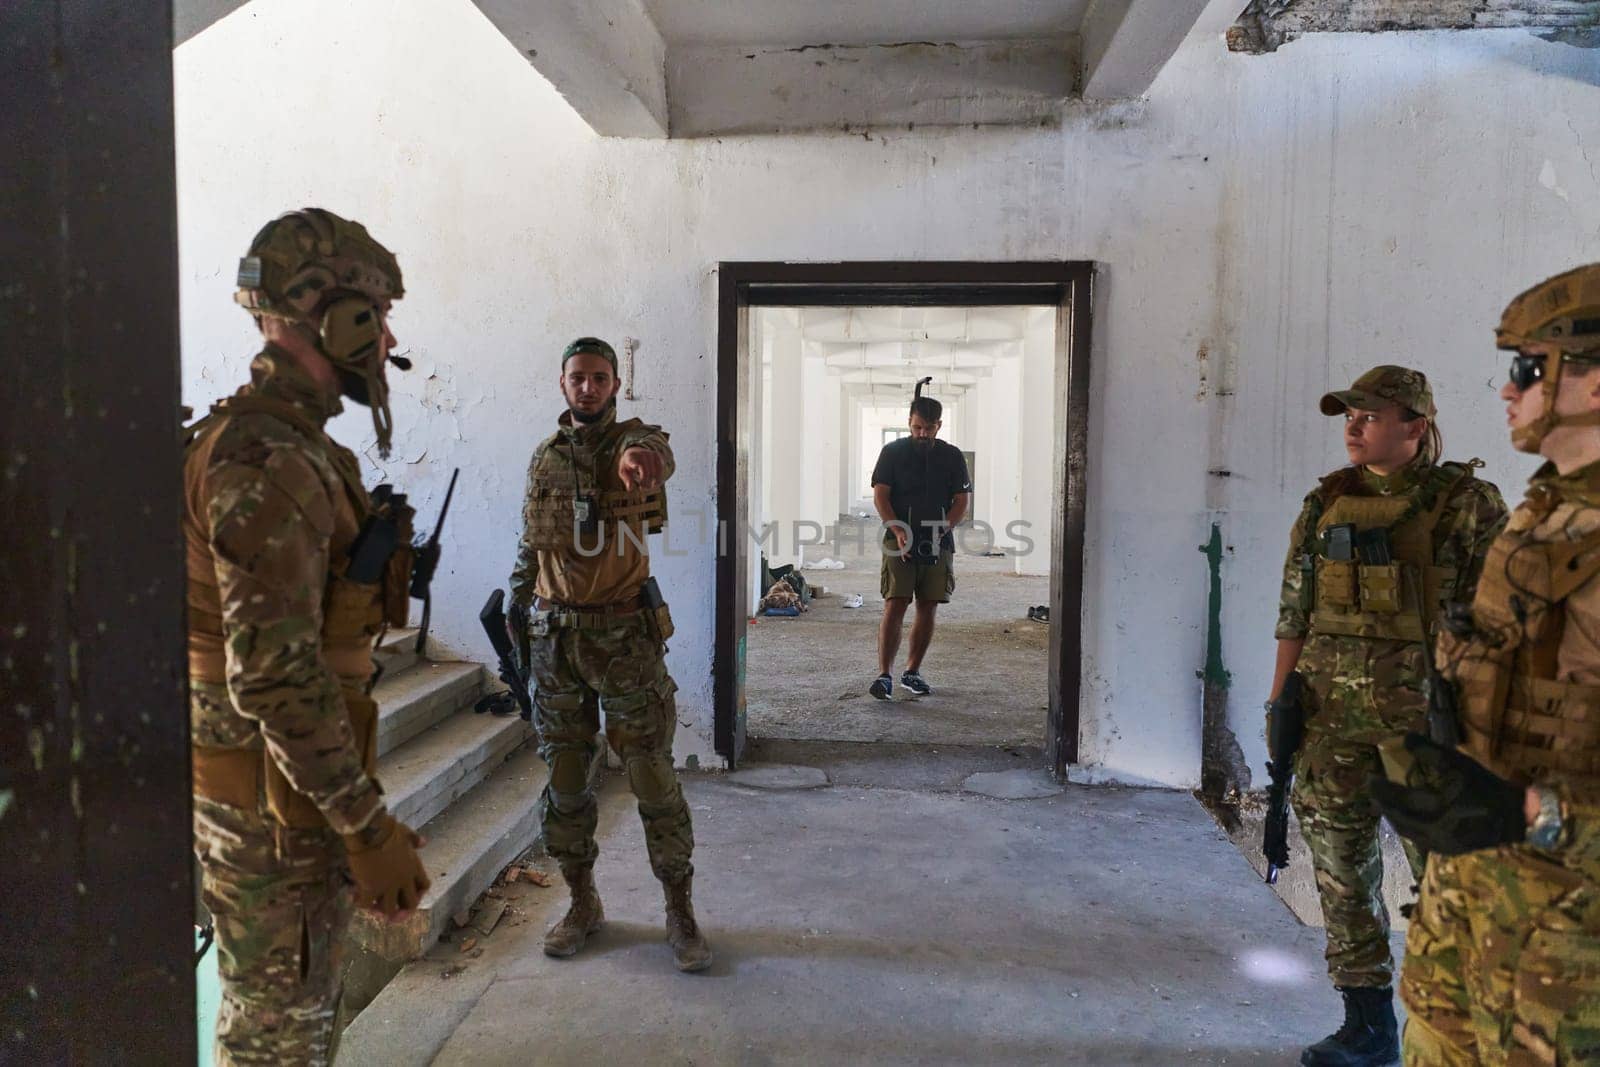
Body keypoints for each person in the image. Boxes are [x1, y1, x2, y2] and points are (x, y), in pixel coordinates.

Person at [184, 208, 431, 1065]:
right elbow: (275, 681)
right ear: (334, 316)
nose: (387, 334)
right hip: (270, 817)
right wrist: (366, 830)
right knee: (276, 1042)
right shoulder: (271, 458)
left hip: (274, 798)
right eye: (376, 313)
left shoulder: (285, 444)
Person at [1370, 265, 1600, 1065]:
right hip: (1475, 894)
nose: (1508, 390)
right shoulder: (1542, 516)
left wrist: (1535, 814)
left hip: (1570, 938)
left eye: (1529, 368)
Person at [1268, 365, 1507, 1067]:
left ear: (1416, 424)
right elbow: (1295, 612)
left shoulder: (1470, 504)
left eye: (1370, 415)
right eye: (1349, 414)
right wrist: (1281, 702)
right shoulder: (1326, 503)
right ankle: (1368, 1027)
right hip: (1330, 723)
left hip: (1430, 730)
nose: (1354, 425)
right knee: (1343, 877)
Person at [509, 337, 711, 973]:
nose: (588, 388)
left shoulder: (632, 441)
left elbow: (654, 454)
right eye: (579, 378)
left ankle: (679, 911)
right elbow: (531, 542)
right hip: (555, 643)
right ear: (562, 384)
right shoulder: (544, 455)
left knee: (651, 774)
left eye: (600, 378)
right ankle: (582, 904)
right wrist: (517, 609)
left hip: (624, 639)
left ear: (616, 384)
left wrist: (638, 461)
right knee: (566, 781)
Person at [867, 382, 972, 700]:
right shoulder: (892, 453)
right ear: (909, 423)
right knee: (895, 603)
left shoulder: (952, 456)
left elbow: (961, 500)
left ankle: (912, 672)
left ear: (939, 425)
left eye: (928, 428)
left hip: (937, 541)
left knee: (928, 605)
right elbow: (881, 496)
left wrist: (945, 528)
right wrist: (897, 530)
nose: (922, 433)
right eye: (916, 427)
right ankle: (884, 675)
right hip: (898, 538)